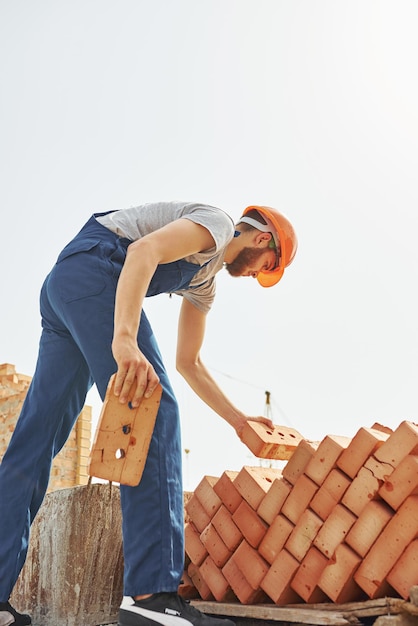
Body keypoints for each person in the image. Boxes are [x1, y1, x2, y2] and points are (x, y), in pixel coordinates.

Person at [0, 202, 297, 626]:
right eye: (266, 266)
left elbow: (188, 362)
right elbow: (141, 252)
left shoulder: (203, 283)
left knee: (33, 444)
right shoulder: (217, 224)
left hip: (66, 287)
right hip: (96, 270)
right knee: (154, 410)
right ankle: (150, 597)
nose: (257, 276)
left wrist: (238, 419)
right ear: (262, 238)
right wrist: (124, 338)